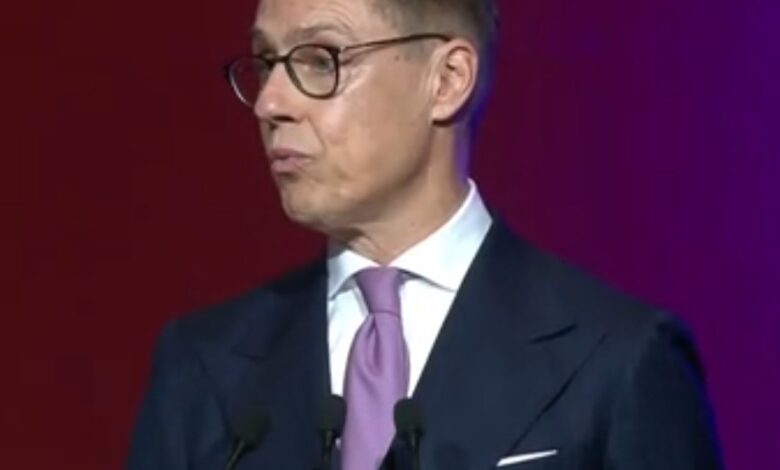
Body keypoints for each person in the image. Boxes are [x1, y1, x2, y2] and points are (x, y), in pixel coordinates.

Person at [127, 0, 723, 468]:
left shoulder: (618, 360)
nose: (270, 103)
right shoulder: (201, 366)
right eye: (265, 63)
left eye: (319, 60)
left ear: (447, 80)